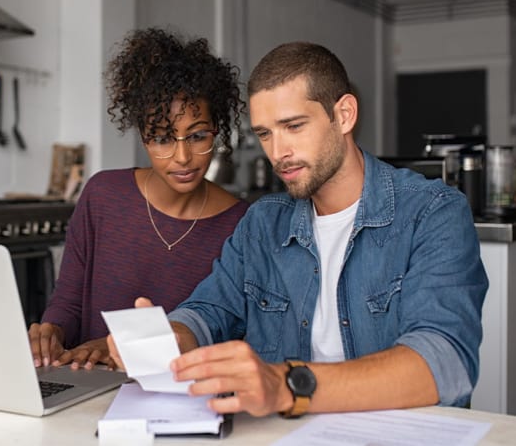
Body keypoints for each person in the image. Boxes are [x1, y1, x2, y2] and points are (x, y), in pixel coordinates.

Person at [109, 41, 488, 417]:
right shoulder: (262, 223)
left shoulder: (432, 212)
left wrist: (289, 386)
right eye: (265, 133)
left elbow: (445, 362)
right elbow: (209, 309)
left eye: (293, 126)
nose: (277, 152)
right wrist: (171, 337)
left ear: (344, 115)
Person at [29, 28, 250, 370]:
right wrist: (51, 332)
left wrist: (118, 346)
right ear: (143, 138)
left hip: (178, 398)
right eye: (162, 138)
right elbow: (69, 301)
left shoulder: (241, 224)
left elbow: (227, 331)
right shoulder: (103, 195)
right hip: (86, 386)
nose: (182, 157)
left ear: (216, 132)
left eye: (197, 136)